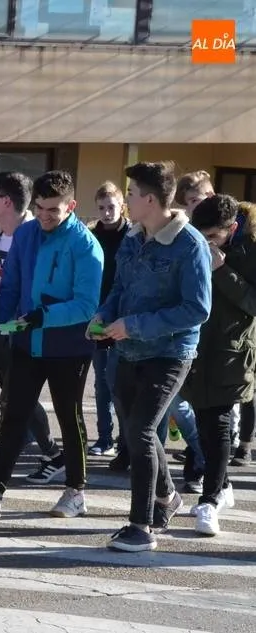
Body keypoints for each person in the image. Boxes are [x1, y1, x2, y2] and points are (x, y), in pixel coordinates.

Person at [94, 161, 211, 552]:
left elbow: (197, 309)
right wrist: (104, 315)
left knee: (142, 431)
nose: (125, 199)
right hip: (128, 349)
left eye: (130, 194)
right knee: (134, 429)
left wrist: (136, 324)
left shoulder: (189, 244)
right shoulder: (132, 237)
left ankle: (141, 526)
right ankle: (169, 497)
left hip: (170, 352)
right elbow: (118, 288)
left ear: (148, 199)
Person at [0, 171, 103, 519]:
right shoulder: (26, 233)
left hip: (70, 348)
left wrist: (42, 316)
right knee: (14, 413)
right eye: (40, 208)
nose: (45, 216)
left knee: (68, 415)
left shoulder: (86, 245)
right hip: (27, 343)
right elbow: (11, 286)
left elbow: (86, 305)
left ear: (72, 206)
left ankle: (76, 491)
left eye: (54, 210)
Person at [0, 171, 64, 482]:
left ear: (7, 201)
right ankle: (38, 453)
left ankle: (53, 453)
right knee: (2, 394)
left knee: (16, 397)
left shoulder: (33, 235)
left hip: (23, 330)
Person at [182, 194, 256, 535]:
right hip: (197, 345)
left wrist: (221, 270)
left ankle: (209, 501)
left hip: (232, 349)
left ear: (233, 229)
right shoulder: (193, 241)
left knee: (221, 422)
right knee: (204, 423)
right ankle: (222, 484)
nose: (205, 243)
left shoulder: (251, 249)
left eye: (213, 237)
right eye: (202, 235)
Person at [89, 182, 130, 457]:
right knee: (101, 381)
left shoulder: (133, 235)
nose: (107, 213)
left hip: (126, 317)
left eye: (111, 207)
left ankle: (126, 441)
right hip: (99, 314)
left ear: (122, 205)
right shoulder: (92, 235)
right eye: (102, 207)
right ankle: (105, 438)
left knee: (122, 385)